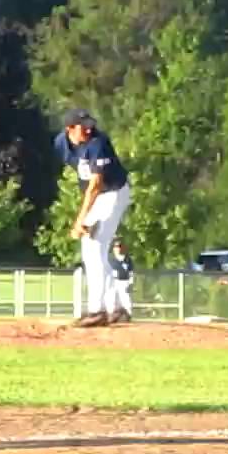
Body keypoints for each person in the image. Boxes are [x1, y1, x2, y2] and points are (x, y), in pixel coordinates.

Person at [54, 109, 131, 328]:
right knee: (92, 249)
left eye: (89, 124)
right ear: (70, 129)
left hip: (113, 193)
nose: (88, 129)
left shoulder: (98, 142)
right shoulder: (61, 143)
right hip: (98, 197)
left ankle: (97, 310)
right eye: (82, 126)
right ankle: (116, 307)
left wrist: (80, 220)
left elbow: (96, 184)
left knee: (94, 246)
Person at [108, 239, 135, 325]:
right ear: (113, 249)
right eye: (116, 247)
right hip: (113, 281)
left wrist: (131, 282)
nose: (118, 248)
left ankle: (128, 315)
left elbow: (131, 272)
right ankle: (111, 315)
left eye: (119, 246)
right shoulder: (110, 259)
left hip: (124, 281)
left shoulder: (127, 259)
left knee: (125, 298)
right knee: (111, 298)